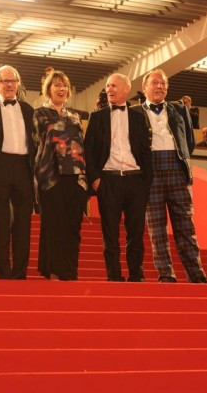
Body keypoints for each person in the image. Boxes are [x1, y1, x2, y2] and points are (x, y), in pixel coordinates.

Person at [132, 69, 207, 283]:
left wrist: (180, 160)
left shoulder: (179, 109)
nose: (159, 87)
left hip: (177, 170)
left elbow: (189, 143)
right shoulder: (134, 113)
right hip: (149, 173)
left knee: (186, 225)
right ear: (144, 87)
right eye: (155, 83)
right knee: (157, 228)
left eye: (163, 83)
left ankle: (197, 275)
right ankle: (166, 275)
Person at [84, 73, 152, 282]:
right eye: (107, 86)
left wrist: (145, 182)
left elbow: (145, 152)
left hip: (135, 180)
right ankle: (113, 276)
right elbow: (89, 152)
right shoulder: (97, 117)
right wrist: (95, 180)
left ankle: (136, 274)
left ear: (126, 89)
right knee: (110, 235)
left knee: (136, 233)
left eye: (114, 86)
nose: (110, 90)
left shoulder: (139, 118)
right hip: (109, 181)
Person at [0, 65, 36, 280]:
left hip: (23, 167)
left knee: (23, 225)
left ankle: (20, 274)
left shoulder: (29, 110)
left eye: (13, 81)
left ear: (18, 84)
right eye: (5, 81)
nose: (10, 85)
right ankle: (3, 275)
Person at [34, 70, 88, 281]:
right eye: (56, 85)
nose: (61, 89)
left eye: (64, 85)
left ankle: (70, 272)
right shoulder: (39, 114)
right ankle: (54, 272)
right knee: (53, 227)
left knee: (73, 227)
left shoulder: (75, 116)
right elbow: (35, 144)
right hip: (50, 176)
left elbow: (82, 145)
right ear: (48, 89)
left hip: (75, 176)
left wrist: (85, 177)